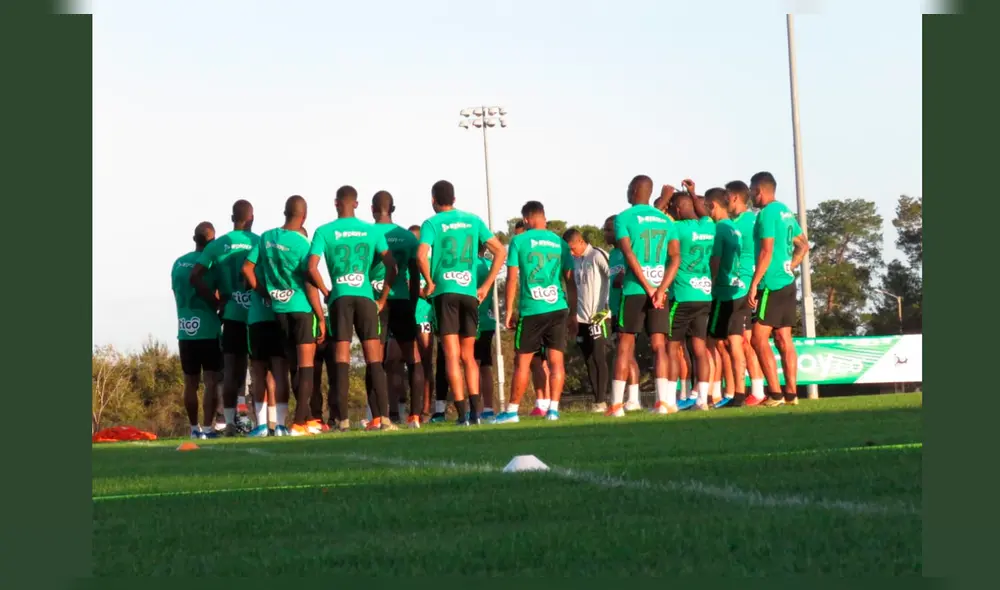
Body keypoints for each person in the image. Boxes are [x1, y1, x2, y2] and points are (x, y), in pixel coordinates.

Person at [416, 180, 506, 426]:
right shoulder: (473, 220)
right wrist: (486, 286)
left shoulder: (431, 223)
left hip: (445, 293)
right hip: (469, 294)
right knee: (469, 356)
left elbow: (421, 255)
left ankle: (463, 414)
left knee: (451, 356)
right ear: (454, 199)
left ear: (433, 199)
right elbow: (500, 251)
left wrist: (428, 282)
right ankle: (477, 413)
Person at [308, 186, 397, 430]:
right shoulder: (371, 230)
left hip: (340, 298)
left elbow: (311, 266)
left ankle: (343, 420)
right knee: (374, 359)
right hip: (367, 298)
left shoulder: (324, 231)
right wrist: (383, 298)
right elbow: (392, 266)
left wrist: (326, 291)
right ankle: (385, 418)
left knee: (342, 359)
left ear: (336, 203)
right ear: (356, 204)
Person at [243, 195, 327, 437]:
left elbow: (247, 268)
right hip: (300, 309)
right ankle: (299, 422)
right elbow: (309, 283)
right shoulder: (302, 243)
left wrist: (265, 291)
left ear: (284, 212)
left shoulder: (267, 238)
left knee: (290, 368)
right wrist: (320, 316)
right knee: (306, 367)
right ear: (304, 215)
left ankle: (301, 420)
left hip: (278, 312)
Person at [496, 201, 577, 423]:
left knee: (522, 361)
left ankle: (511, 411)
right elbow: (570, 282)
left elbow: (512, 278)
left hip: (533, 309)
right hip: (558, 307)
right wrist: (573, 313)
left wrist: (508, 311)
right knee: (556, 362)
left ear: (526, 219)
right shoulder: (560, 243)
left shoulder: (519, 241)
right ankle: (553, 410)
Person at [609, 176, 680, 417]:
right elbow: (675, 258)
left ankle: (617, 406)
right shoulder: (664, 220)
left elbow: (628, 254)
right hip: (661, 292)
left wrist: (649, 288)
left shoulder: (624, 218)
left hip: (634, 290)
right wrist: (660, 289)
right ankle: (663, 403)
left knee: (625, 346)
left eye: (629, 188)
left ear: (635, 190)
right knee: (660, 346)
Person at [189, 200, 257, 436]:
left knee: (230, 371)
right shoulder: (258, 241)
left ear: (231, 218)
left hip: (232, 313)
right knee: (260, 371)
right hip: (257, 314)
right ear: (251, 218)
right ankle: (263, 424)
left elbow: (195, 276)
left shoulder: (218, 245)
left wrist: (215, 301)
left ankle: (229, 423)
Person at [747, 172, 810, 407]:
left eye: (752, 191)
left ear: (759, 191)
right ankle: (791, 394)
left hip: (771, 283)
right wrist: (790, 265)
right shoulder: (785, 212)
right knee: (784, 338)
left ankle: (774, 394)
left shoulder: (765, 214)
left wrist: (754, 284)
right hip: (787, 281)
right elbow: (804, 245)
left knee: (757, 338)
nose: (752, 196)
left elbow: (766, 251)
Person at [369, 191, 424, 427]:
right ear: (393, 208)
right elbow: (414, 274)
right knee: (413, 358)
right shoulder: (408, 238)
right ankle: (415, 416)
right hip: (402, 299)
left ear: (372, 209)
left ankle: (378, 417)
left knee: (375, 359)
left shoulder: (367, 234)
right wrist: (411, 305)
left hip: (374, 302)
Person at [666, 185, 716, 411]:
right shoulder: (708, 225)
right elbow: (703, 213)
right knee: (699, 349)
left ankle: (668, 400)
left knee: (671, 347)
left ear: (676, 209)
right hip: (704, 294)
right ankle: (702, 400)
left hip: (683, 294)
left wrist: (664, 199)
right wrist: (694, 194)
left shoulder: (675, 228)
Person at [172, 222, 223, 439]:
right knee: (211, 381)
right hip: (209, 329)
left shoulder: (178, 263)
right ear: (212, 241)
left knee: (190, 383)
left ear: (195, 239)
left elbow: (176, 291)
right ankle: (208, 428)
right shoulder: (211, 263)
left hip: (185, 329)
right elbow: (218, 293)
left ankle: (194, 429)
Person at [242, 236, 289, 437]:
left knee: (259, 372)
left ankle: (261, 425)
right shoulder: (282, 254)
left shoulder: (258, 250)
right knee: (279, 372)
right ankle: (279, 425)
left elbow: (246, 274)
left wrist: (261, 291)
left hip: (259, 318)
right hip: (279, 314)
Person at [706, 187, 749, 407]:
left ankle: (711, 394)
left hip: (723, 292)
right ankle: (738, 393)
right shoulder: (735, 228)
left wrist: (710, 284)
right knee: (735, 342)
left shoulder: (720, 229)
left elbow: (716, 260)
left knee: (710, 343)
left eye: (707, 206)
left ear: (713, 205)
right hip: (739, 289)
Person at [726, 180, 767, 405]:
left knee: (740, 340)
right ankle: (757, 392)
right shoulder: (745, 220)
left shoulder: (745, 222)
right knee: (746, 341)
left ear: (734, 197)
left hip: (746, 287)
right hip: (746, 285)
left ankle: (746, 393)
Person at [563, 228, 612, 412]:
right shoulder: (574, 261)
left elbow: (612, 275)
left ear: (581, 241)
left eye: (572, 247)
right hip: (580, 318)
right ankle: (596, 400)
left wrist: (607, 309)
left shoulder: (597, 255)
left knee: (599, 357)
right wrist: (572, 314)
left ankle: (602, 400)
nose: (571, 251)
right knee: (588, 359)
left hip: (598, 317)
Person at [512, 220, 552, 415]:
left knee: (540, 361)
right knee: (537, 361)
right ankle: (542, 403)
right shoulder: (551, 244)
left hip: (536, 310)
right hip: (548, 308)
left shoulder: (523, 243)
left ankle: (546, 402)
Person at [603, 215, 641, 410]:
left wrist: (624, 276)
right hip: (616, 308)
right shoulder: (612, 254)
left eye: (609, 230)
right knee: (623, 352)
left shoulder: (628, 251)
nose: (605, 234)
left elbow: (636, 268)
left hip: (628, 305)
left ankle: (633, 398)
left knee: (627, 352)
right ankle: (630, 398)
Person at [409, 225, 437, 423]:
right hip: (407, 316)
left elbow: (432, 288)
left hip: (425, 317)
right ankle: (407, 408)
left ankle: (426, 409)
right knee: (405, 362)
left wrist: (422, 290)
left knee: (426, 363)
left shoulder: (430, 263)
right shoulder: (405, 262)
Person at [473, 244, 499, 421]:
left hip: (472, 321)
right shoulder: (490, 264)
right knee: (486, 365)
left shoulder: (469, 264)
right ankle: (488, 407)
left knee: (472, 364)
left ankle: (475, 408)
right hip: (488, 319)